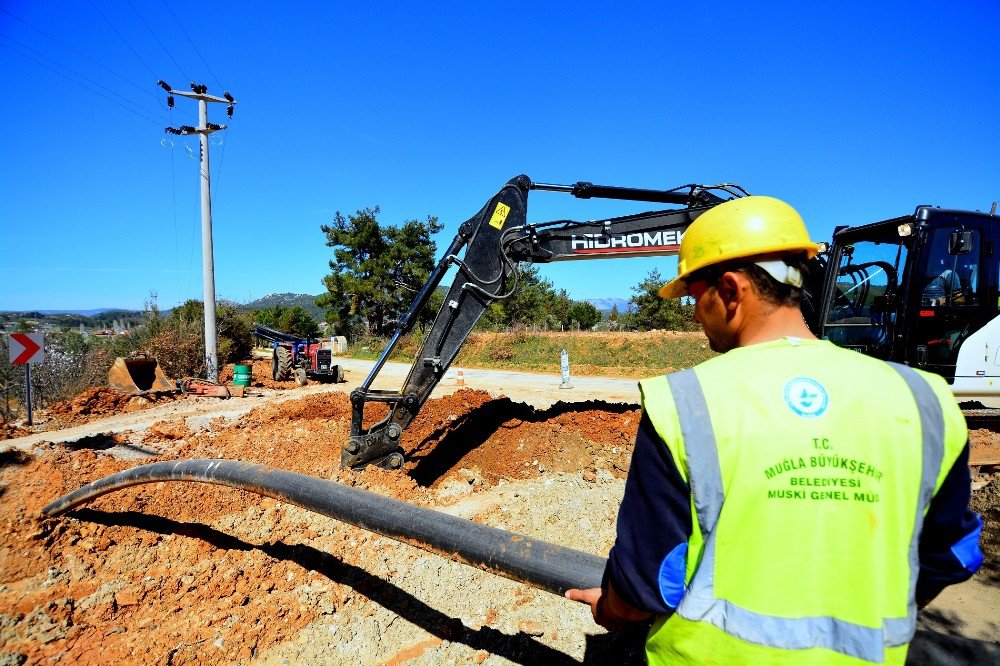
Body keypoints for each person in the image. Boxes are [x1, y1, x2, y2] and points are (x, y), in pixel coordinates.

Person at [566, 196, 983, 664]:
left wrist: (612, 608)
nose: (693, 314)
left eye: (693, 296)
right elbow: (951, 553)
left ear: (729, 289)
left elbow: (647, 581)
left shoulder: (687, 403)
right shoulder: (924, 399)